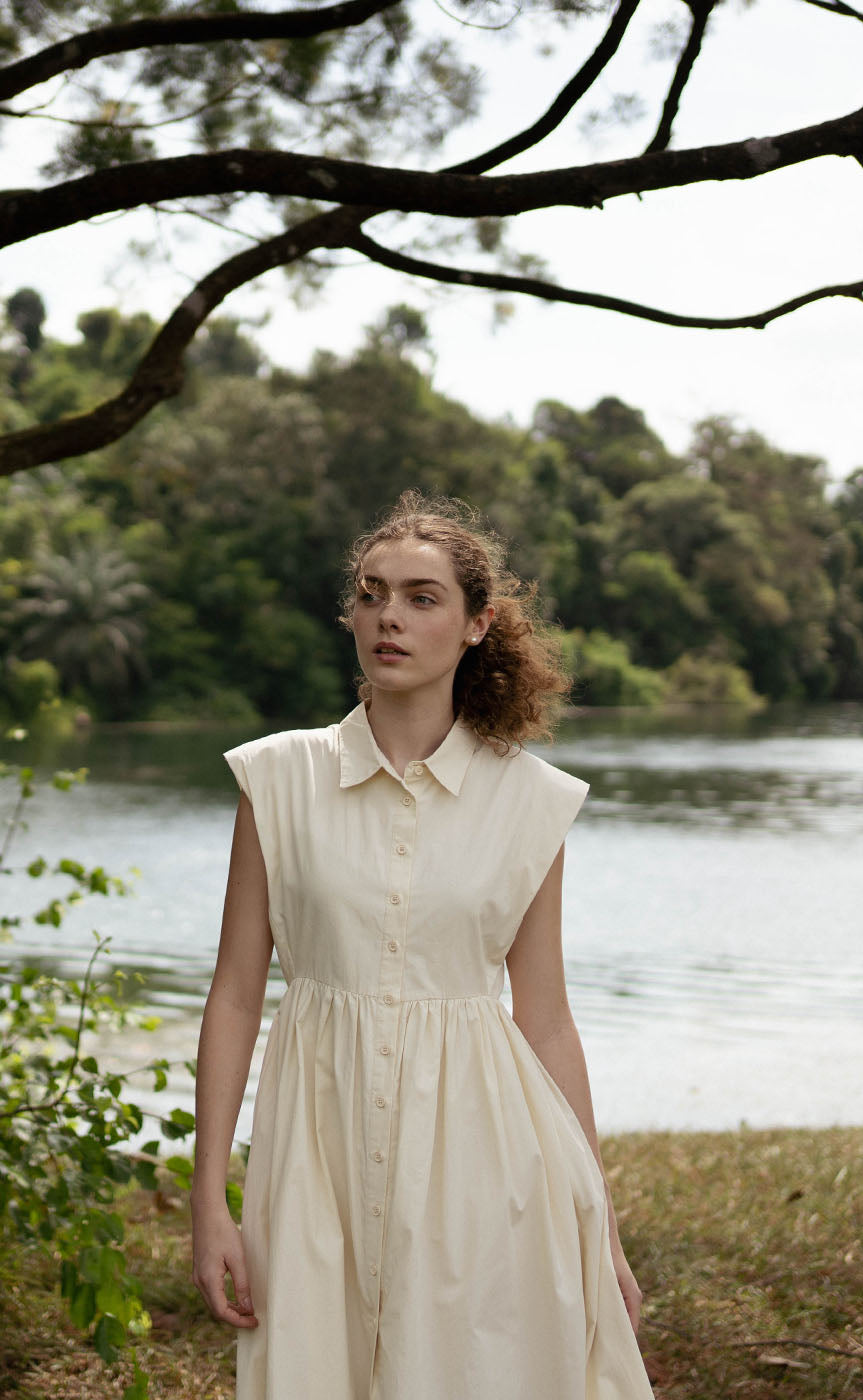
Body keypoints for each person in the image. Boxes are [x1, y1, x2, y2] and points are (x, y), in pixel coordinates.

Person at [191, 491, 655, 1399]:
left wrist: (599, 1228)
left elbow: (547, 1018)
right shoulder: (276, 779)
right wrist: (212, 1201)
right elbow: (238, 994)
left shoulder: (532, 802)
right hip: (312, 1150)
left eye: (420, 597)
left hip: (483, 1153)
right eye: (371, 594)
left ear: (478, 624)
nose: (388, 618)